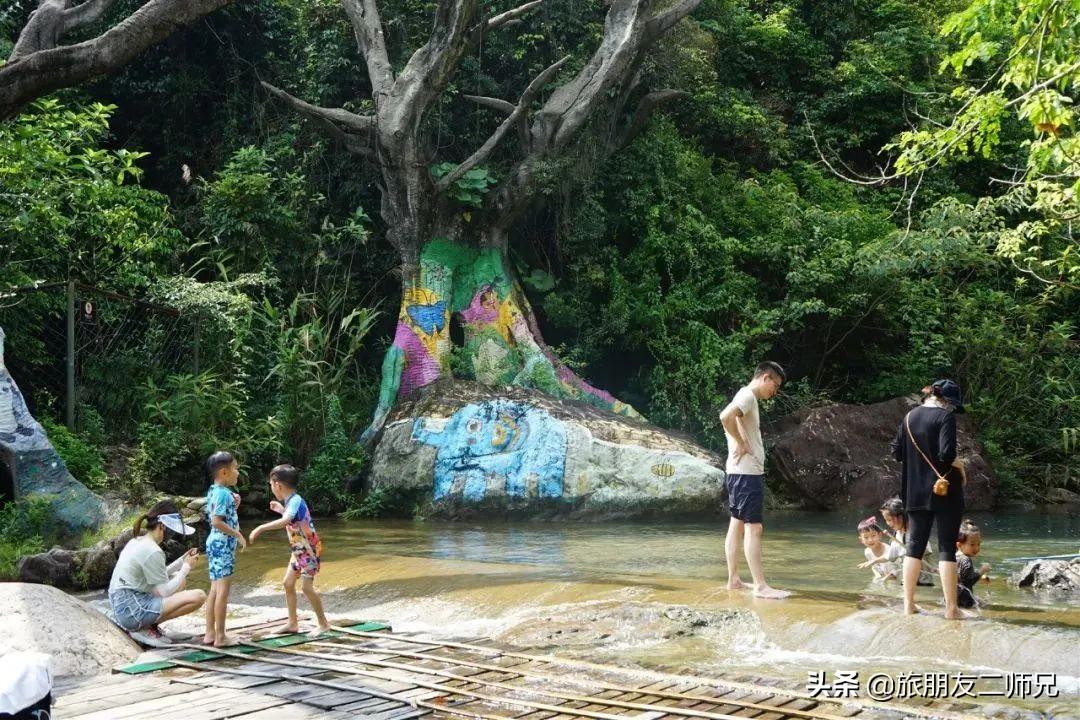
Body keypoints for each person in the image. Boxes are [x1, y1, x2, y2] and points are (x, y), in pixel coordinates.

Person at [890, 379, 967, 618]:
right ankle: (951, 609)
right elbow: (947, 454)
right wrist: (961, 466)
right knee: (946, 547)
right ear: (946, 400)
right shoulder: (945, 418)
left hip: (914, 490)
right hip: (945, 489)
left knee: (914, 546)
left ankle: (909, 605)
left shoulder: (909, 417)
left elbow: (896, 452)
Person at [719, 361, 789, 599]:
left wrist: (741, 440)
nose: (775, 392)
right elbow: (725, 417)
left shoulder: (744, 395)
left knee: (736, 524)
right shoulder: (748, 396)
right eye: (775, 385)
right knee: (754, 528)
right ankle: (760, 586)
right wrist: (741, 443)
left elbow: (734, 419)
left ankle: (734, 580)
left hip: (738, 473)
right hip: (747, 474)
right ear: (766, 377)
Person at [248, 464, 331, 638]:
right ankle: (292, 623)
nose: (271, 488)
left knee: (307, 588)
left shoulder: (295, 500)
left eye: (271, 485)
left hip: (309, 551)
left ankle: (323, 624)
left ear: (277, 485)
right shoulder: (291, 501)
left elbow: (286, 520)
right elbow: (292, 517)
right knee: (288, 583)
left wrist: (261, 528)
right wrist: (281, 509)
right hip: (298, 551)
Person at [107, 500, 205, 645]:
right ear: (162, 526)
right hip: (132, 611)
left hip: (122, 606)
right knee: (199, 596)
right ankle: (143, 628)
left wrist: (181, 561)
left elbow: (157, 575)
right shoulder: (153, 551)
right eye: (172, 529)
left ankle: (148, 626)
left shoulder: (138, 541)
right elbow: (164, 591)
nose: (173, 534)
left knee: (176, 579)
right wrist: (186, 567)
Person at [203, 450, 246, 647]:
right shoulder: (222, 493)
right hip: (222, 545)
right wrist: (237, 534)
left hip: (215, 544)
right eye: (235, 468)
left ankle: (210, 633)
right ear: (224, 472)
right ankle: (221, 637)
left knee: (214, 589)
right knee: (222, 592)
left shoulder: (215, 490)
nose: (238, 472)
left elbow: (222, 513)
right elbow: (216, 521)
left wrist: (234, 503)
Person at [879, 498, 935, 585]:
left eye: (889, 520)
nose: (888, 523)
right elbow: (890, 556)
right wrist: (873, 561)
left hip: (922, 584)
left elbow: (923, 552)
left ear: (901, 517)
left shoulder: (916, 534)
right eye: (886, 520)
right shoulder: (898, 534)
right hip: (907, 581)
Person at [956, 519, 991, 609]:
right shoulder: (966, 560)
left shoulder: (953, 559)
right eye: (972, 544)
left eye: (978, 544)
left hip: (953, 598)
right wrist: (981, 571)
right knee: (985, 605)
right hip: (964, 600)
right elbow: (968, 581)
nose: (976, 548)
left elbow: (961, 577)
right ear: (959, 545)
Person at [857, 516, 903, 581]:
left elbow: (899, 569)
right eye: (866, 537)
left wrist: (883, 580)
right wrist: (878, 578)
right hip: (886, 578)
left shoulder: (889, 550)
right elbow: (875, 568)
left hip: (899, 578)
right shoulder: (867, 552)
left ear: (880, 535)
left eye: (873, 535)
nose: (870, 540)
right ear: (861, 540)